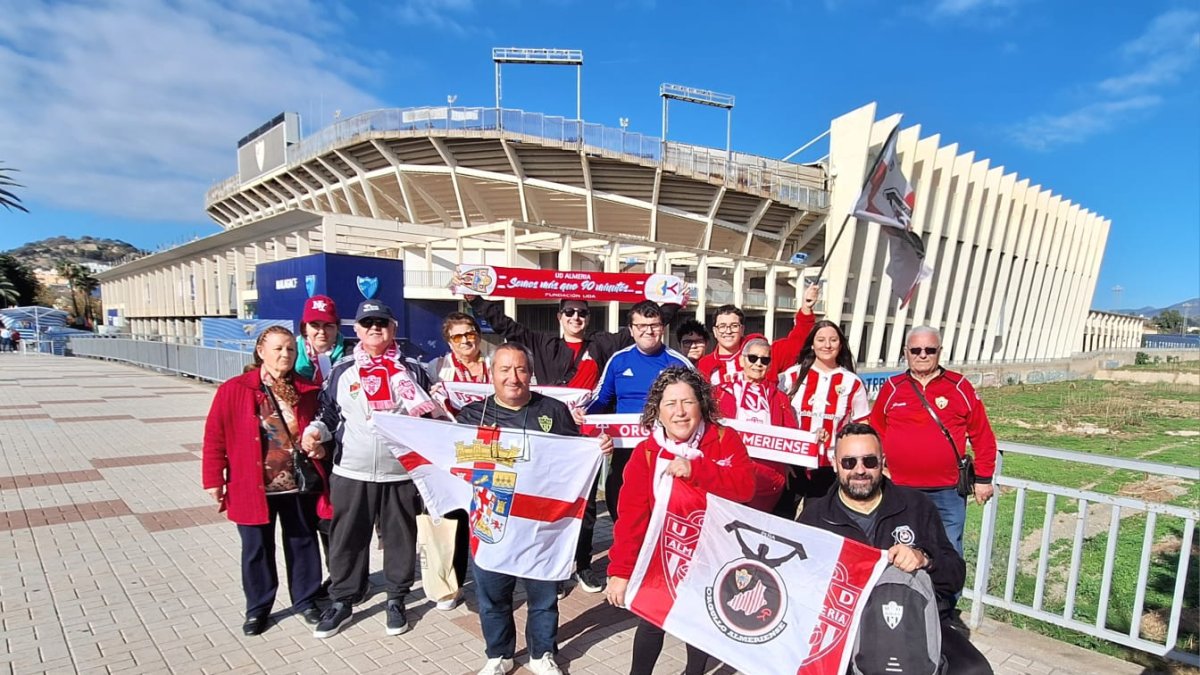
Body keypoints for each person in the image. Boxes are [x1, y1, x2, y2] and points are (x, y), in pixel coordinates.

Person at [456, 343, 614, 675]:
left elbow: (575, 454)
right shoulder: (473, 416)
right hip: (492, 523)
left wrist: (597, 446)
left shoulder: (553, 411)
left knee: (543, 599)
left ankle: (542, 653)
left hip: (541, 526)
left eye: (520, 370)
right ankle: (499, 654)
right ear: (492, 374)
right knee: (494, 598)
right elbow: (453, 459)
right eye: (504, 370)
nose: (513, 378)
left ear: (530, 374)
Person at [302, 300, 447, 639]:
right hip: (352, 471)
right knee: (347, 539)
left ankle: (396, 598)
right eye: (368, 323)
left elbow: (433, 416)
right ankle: (343, 600)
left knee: (400, 539)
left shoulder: (414, 369)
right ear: (357, 330)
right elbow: (328, 415)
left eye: (382, 322)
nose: (375, 328)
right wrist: (314, 433)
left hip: (400, 472)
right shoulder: (343, 369)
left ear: (394, 328)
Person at [799, 423, 993, 675]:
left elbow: (954, 576)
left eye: (869, 461)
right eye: (849, 463)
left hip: (913, 621)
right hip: (845, 629)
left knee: (974, 670)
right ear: (835, 464)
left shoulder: (916, 506)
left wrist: (924, 559)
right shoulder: (815, 519)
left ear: (883, 462)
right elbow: (799, 591)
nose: (860, 470)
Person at [605, 367, 756, 675]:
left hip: (712, 556)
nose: (680, 412)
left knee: (700, 626)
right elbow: (631, 520)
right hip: (663, 557)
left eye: (688, 402)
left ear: (701, 404)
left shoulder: (724, 439)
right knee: (651, 623)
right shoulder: (646, 454)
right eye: (670, 404)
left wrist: (697, 470)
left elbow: (745, 488)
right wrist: (620, 572)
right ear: (657, 411)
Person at [201, 326, 325, 635]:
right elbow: (215, 437)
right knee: (256, 549)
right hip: (252, 485)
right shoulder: (235, 389)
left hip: (297, 485)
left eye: (290, 350)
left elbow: (321, 430)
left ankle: (306, 600)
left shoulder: (306, 390)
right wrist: (214, 478)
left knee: (302, 543)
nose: (285, 354)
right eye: (278, 349)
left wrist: (320, 446)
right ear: (261, 351)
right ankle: (258, 608)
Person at [870, 326, 997, 557]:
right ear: (906, 352)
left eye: (929, 349)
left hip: (947, 492)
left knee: (947, 552)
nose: (922, 355)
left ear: (940, 352)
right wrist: (879, 469)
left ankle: (945, 595)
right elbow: (876, 432)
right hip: (900, 488)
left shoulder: (959, 387)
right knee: (897, 551)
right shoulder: (892, 387)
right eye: (916, 350)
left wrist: (984, 478)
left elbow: (982, 435)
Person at [458, 278, 682, 390]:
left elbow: (646, 326)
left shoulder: (603, 343)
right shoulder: (543, 344)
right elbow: (506, 327)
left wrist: (675, 303)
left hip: (591, 422)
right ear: (560, 317)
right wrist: (475, 301)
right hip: (554, 420)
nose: (576, 317)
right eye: (569, 312)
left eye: (582, 312)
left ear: (589, 317)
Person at [586, 300, 692, 536]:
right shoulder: (618, 360)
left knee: (662, 510)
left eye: (653, 325)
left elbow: (698, 406)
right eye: (641, 325)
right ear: (631, 330)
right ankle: (630, 553)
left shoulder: (679, 363)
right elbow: (601, 400)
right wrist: (582, 415)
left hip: (667, 451)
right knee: (619, 502)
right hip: (626, 449)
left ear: (662, 327)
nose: (648, 331)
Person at [424, 311, 493, 609]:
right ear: (448, 341)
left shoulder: (494, 363)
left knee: (489, 518)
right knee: (453, 518)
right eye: (458, 336)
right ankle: (451, 585)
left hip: (492, 453)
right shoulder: (436, 367)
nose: (466, 340)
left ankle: (493, 581)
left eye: (470, 333)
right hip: (452, 455)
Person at [778, 319, 870, 516]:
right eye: (821, 340)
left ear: (841, 344)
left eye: (833, 340)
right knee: (781, 518)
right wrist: (781, 459)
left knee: (819, 521)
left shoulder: (852, 382)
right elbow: (776, 414)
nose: (827, 345)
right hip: (792, 463)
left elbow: (862, 425)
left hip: (829, 466)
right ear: (812, 343)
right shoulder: (791, 376)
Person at [713, 336, 797, 512]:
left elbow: (791, 432)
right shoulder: (721, 392)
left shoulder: (779, 397)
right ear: (741, 360)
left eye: (764, 360)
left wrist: (789, 462)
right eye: (753, 358)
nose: (758, 364)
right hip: (729, 471)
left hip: (766, 476)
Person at [295, 295, 348, 385]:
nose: (322, 331)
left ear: (337, 328)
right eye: (314, 325)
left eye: (328, 326)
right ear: (304, 328)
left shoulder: (351, 354)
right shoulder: (292, 350)